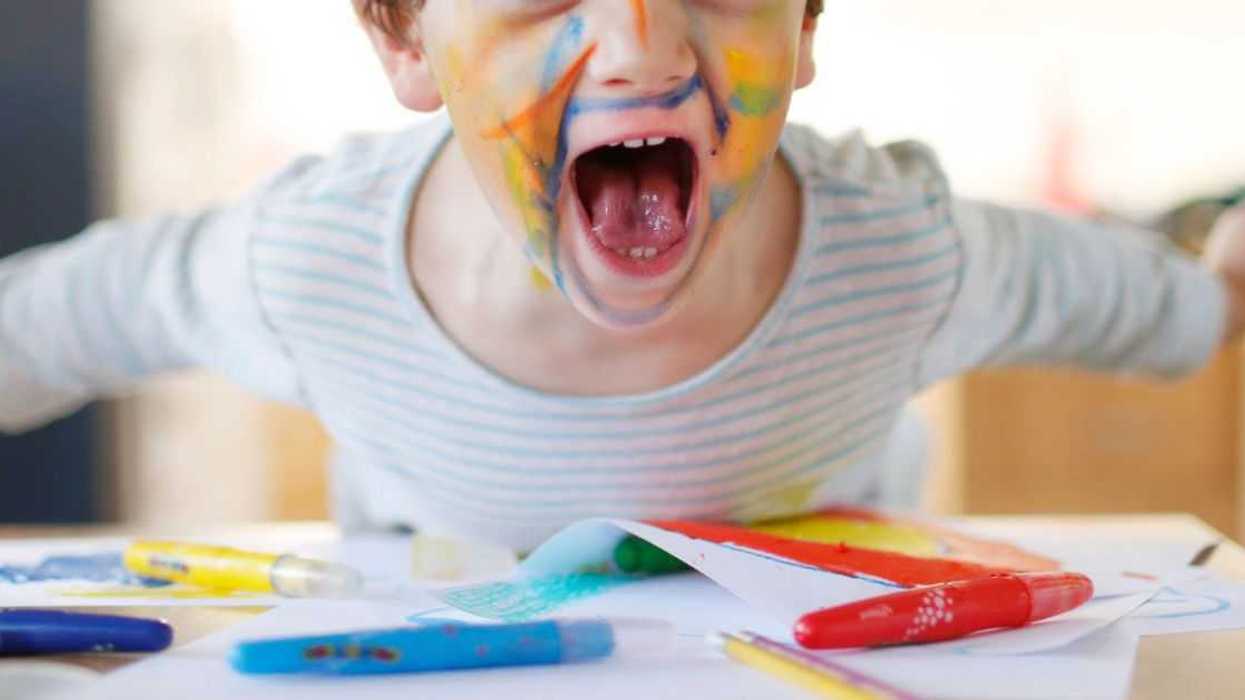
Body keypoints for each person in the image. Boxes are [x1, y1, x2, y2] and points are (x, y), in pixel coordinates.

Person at [2, 0, 1242, 551]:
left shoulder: (897, 251)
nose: (643, 45)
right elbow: (76, 313)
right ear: (404, 34)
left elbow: (1116, 293)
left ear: (804, 25)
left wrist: (1215, 294)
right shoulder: (313, 262)